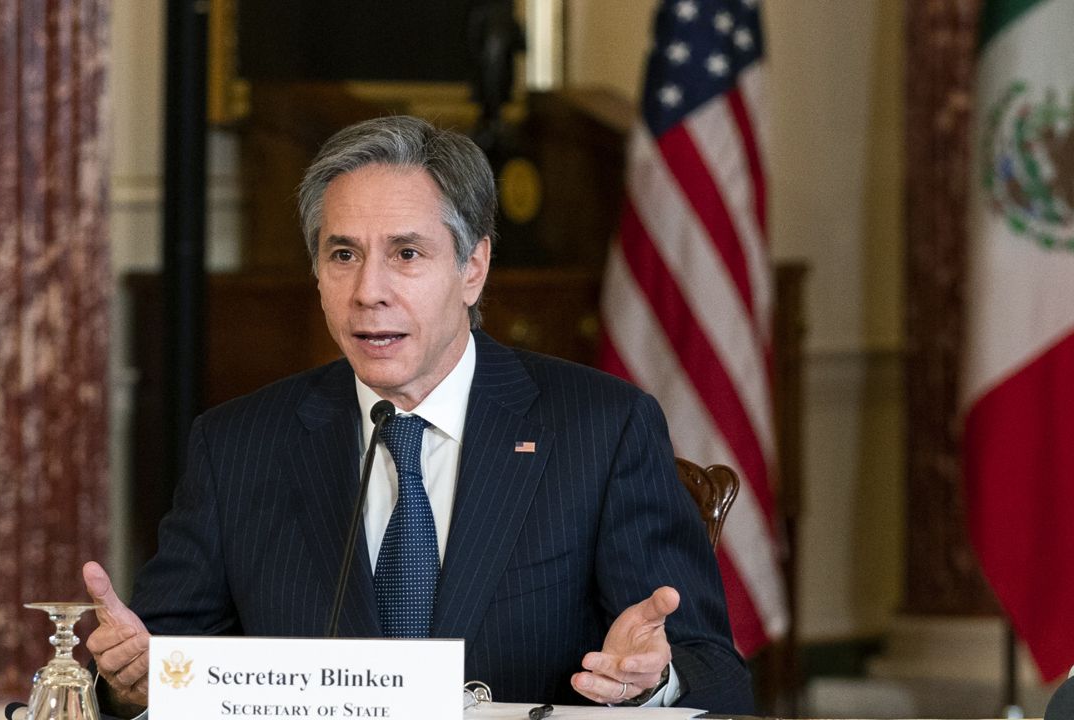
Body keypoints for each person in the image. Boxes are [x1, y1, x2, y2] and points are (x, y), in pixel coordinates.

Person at [83, 115, 754, 716]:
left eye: (406, 254)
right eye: (342, 255)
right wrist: (128, 684)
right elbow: (155, 661)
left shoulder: (599, 431)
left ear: (473, 267)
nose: (368, 292)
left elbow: (717, 675)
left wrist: (651, 678)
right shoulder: (237, 445)